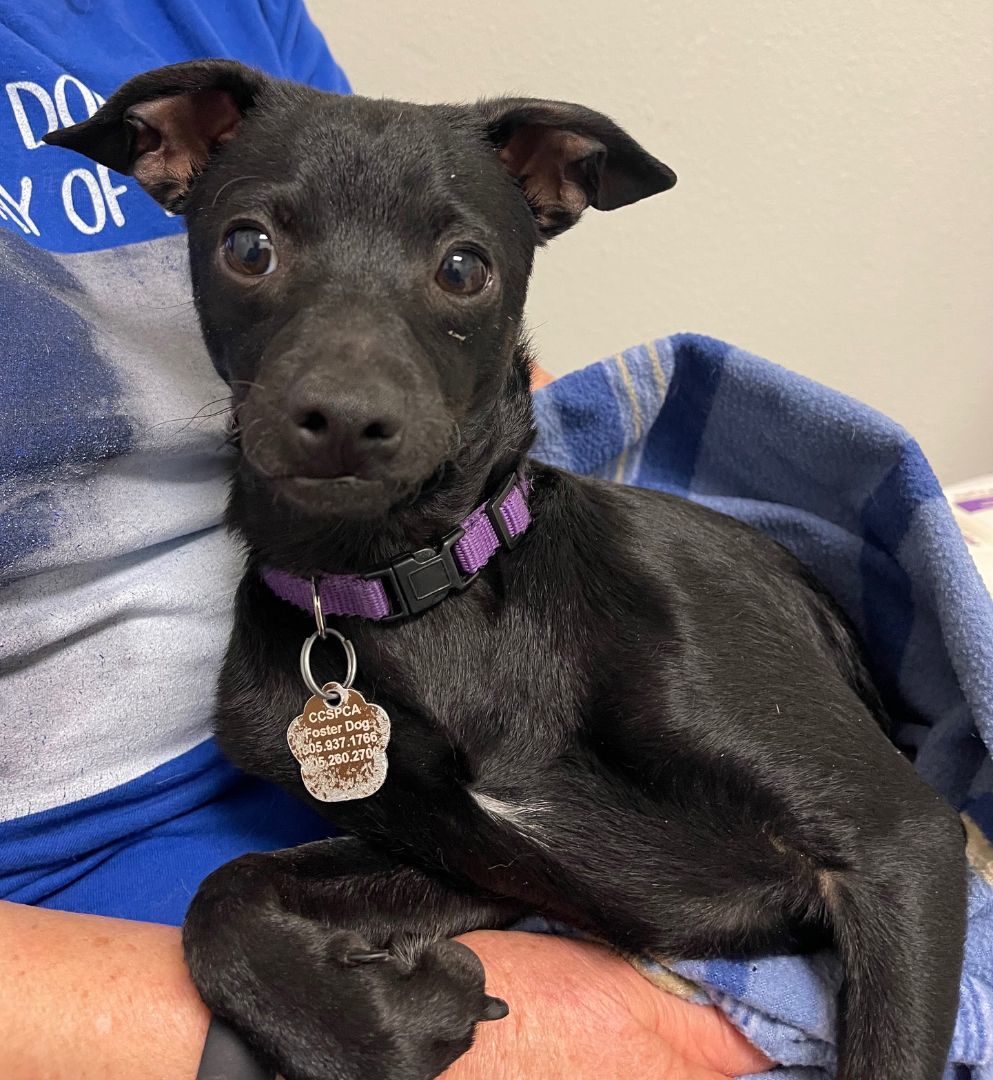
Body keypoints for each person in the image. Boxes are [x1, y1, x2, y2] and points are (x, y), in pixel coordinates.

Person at [0, 3, 770, 1076]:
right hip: (91, 915)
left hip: (421, 692)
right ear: (166, 153)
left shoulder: (223, 11)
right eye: (255, 248)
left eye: (460, 271)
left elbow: (406, 231)